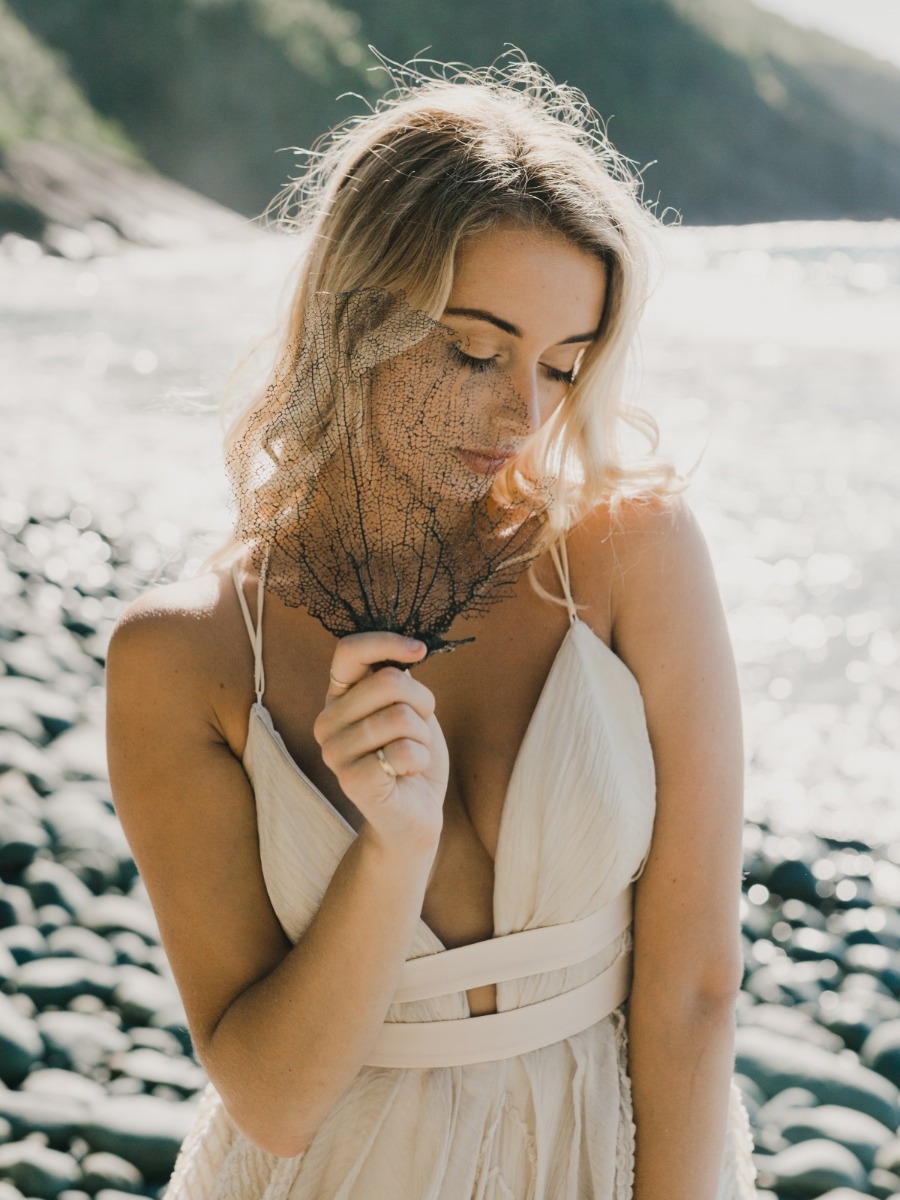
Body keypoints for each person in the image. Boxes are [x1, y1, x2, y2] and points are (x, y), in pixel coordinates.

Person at [105, 54, 758, 1200]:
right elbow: (274, 1100)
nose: (527, 414)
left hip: (604, 1158)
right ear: (353, 314)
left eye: (566, 364)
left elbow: (697, 984)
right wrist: (389, 848)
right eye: (475, 350)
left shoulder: (629, 554)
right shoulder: (187, 657)